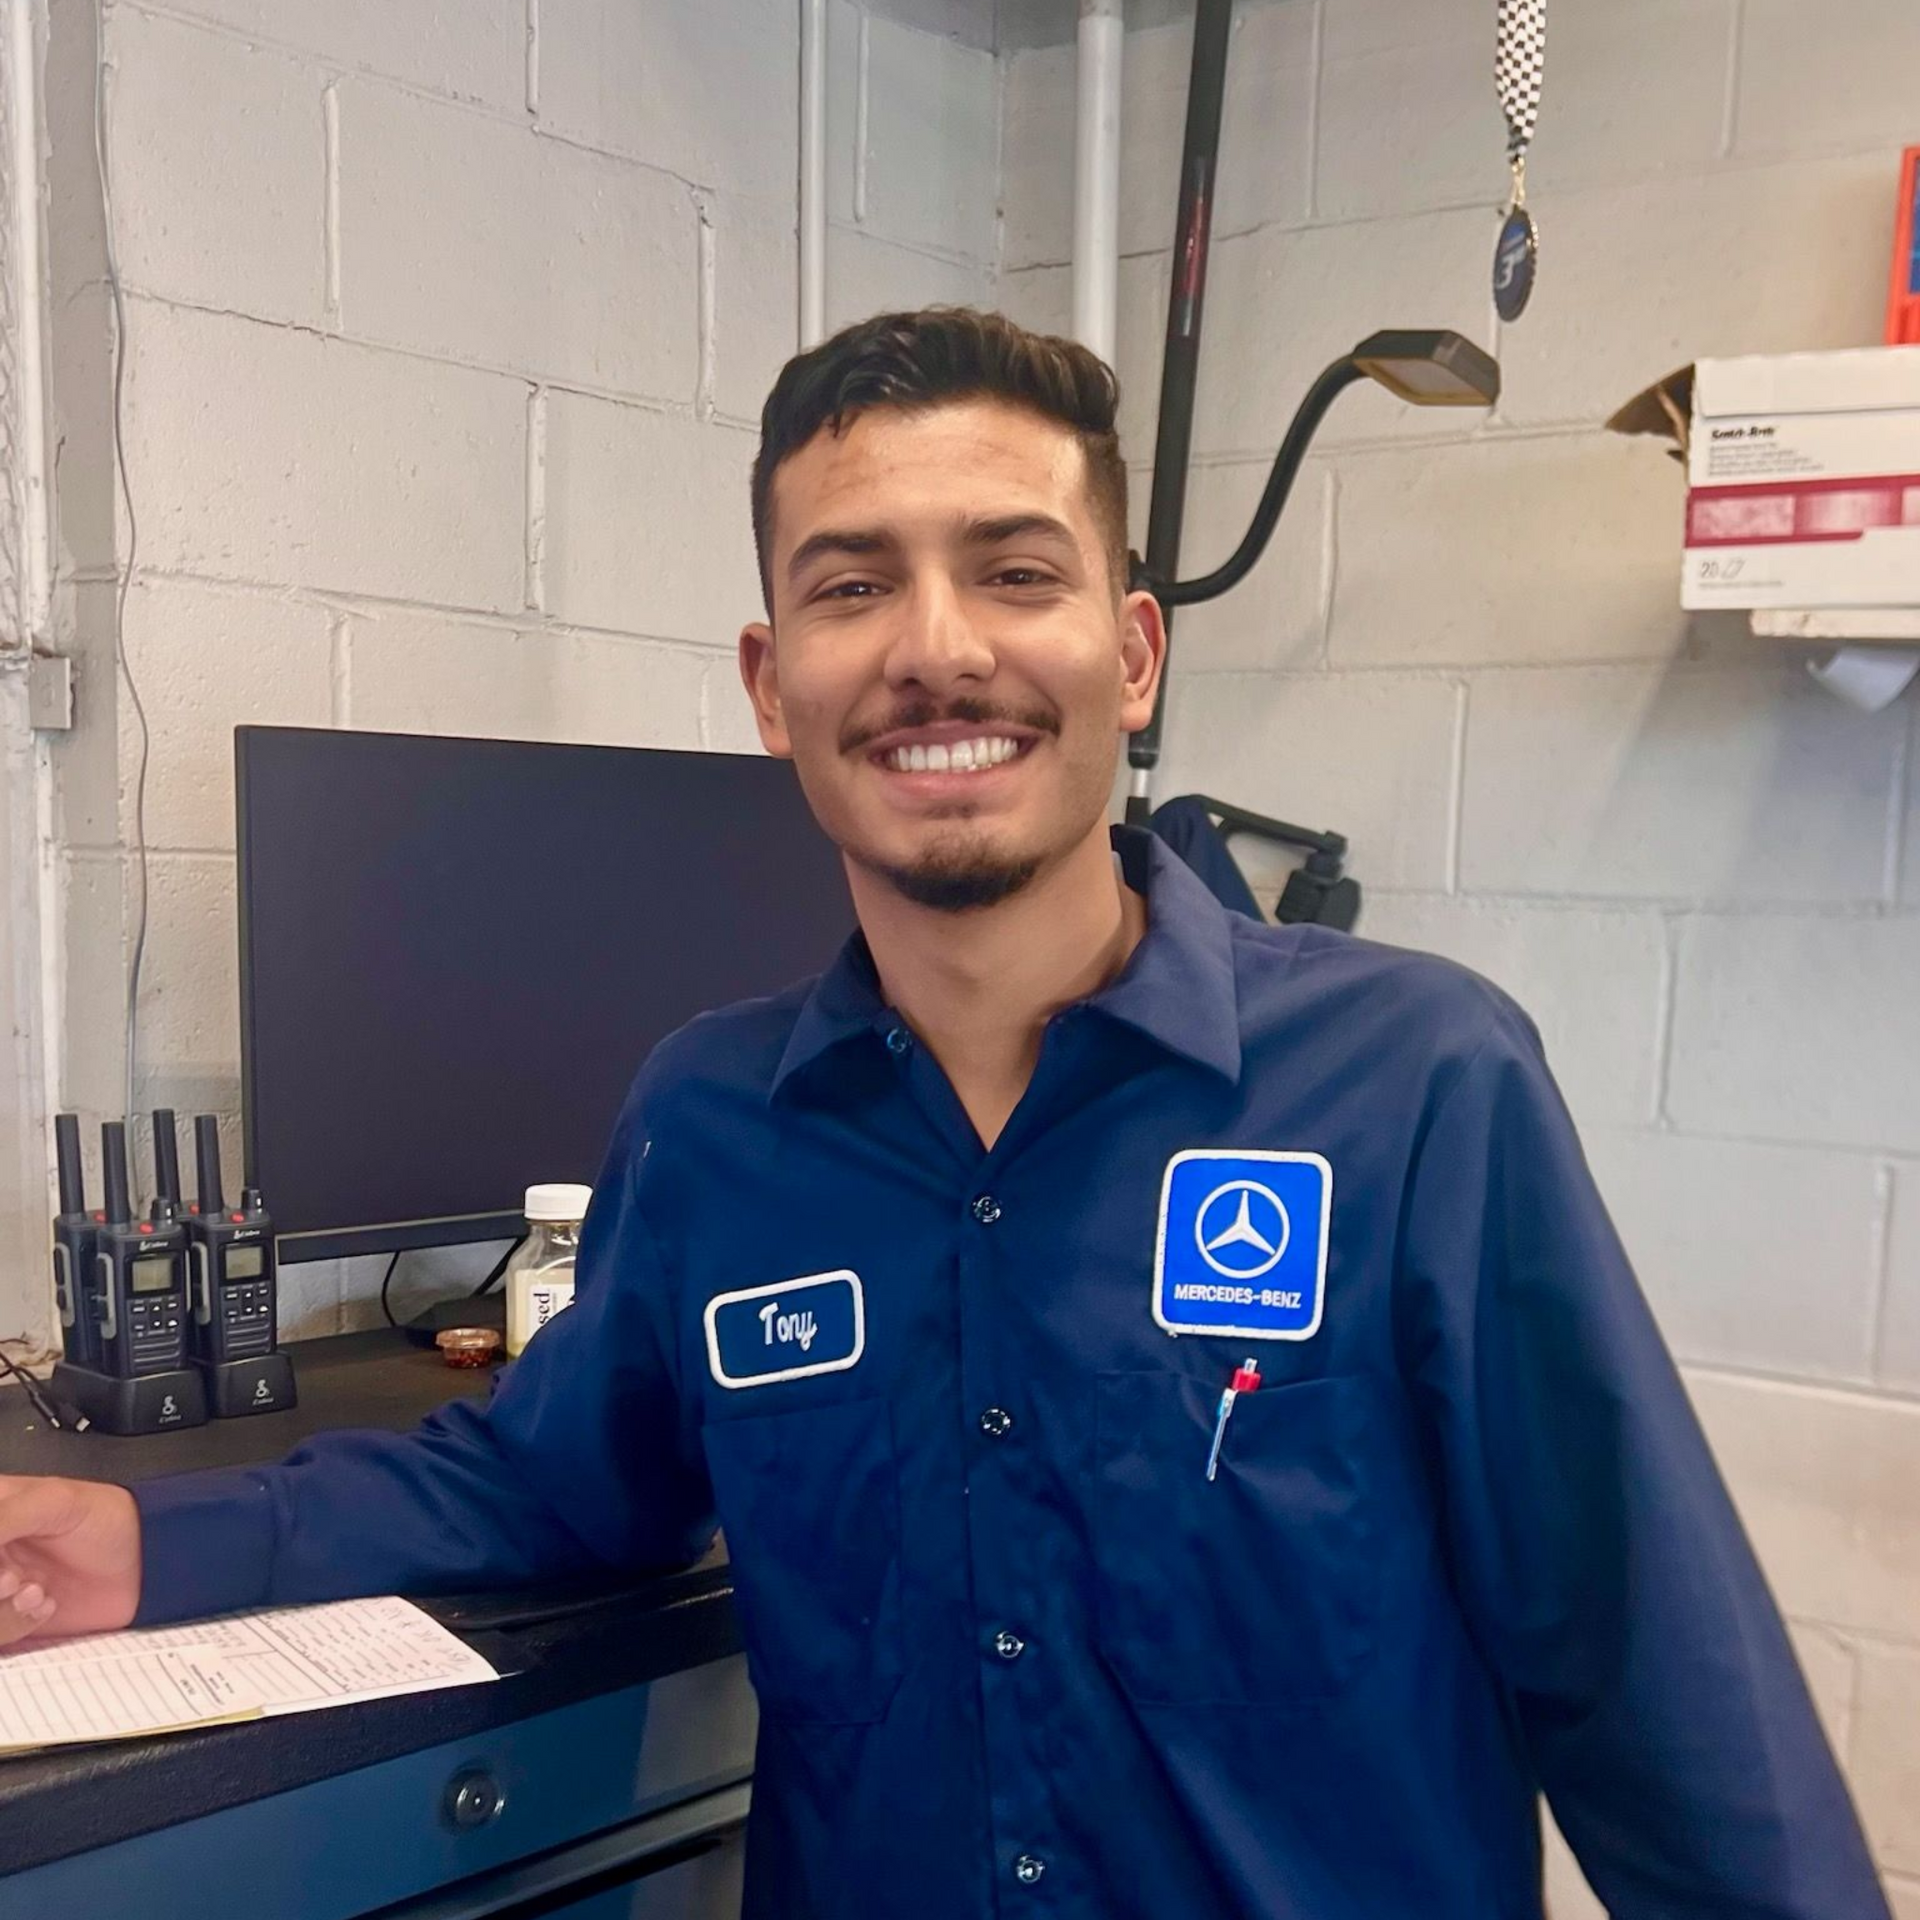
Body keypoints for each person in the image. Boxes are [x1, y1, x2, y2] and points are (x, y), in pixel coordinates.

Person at [0, 310, 1887, 1918]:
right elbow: (547, 1486)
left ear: (1131, 655)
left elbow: (1657, 1688)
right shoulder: (717, 1125)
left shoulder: (1418, 1089)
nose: (936, 648)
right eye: (849, 584)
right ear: (771, 686)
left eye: (1014, 569)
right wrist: (149, 1548)